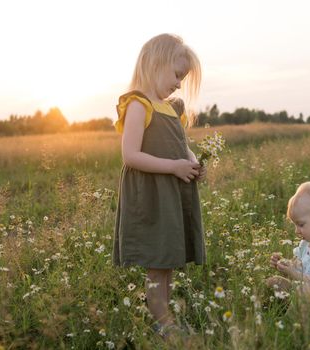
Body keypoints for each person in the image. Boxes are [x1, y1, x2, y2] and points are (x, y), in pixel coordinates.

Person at [112, 33, 205, 337]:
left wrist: (190, 161)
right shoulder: (138, 105)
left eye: (183, 77)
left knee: (168, 257)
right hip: (151, 193)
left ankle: (165, 315)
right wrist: (173, 167)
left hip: (170, 190)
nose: (179, 83)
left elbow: (182, 145)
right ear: (156, 64)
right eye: (177, 75)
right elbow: (130, 156)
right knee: (156, 260)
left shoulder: (170, 108)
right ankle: (162, 323)